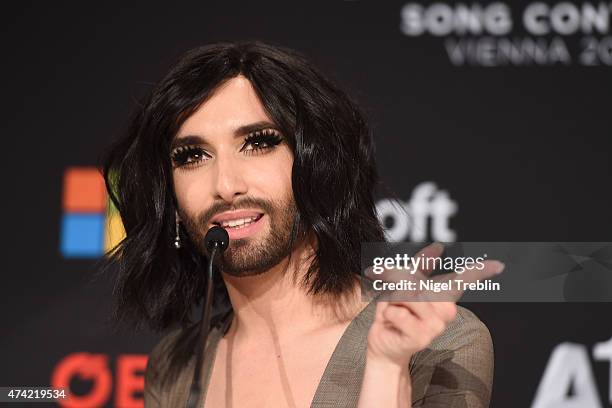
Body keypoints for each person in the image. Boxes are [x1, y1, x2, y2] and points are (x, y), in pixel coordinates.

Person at [101, 41, 502, 407]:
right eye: (192, 156)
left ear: (316, 166)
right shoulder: (175, 365)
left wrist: (384, 368)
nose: (225, 185)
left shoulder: (438, 345)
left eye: (259, 142)